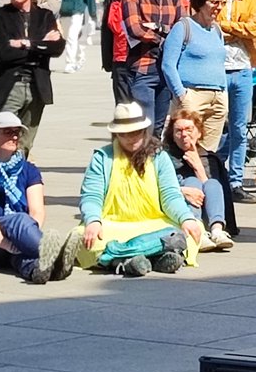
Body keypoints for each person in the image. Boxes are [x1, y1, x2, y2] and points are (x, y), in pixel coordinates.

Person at [71, 99, 206, 276]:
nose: (130, 138)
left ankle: (120, 258)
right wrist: (93, 221)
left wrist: (185, 218)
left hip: (154, 223)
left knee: (193, 228)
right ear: (116, 134)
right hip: (113, 226)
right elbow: (91, 196)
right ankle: (154, 256)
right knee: (82, 236)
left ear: (144, 131)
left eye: (135, 132)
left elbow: (170, 196)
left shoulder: (160, 157)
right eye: (124, 134)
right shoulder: (102, 158)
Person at [0, 110, 73, 283]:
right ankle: (55, 256)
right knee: (17, 220)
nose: (14, 137)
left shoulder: (29, 169)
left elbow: (37, 212)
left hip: (18, 237)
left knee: (22, 243)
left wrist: (20, 241)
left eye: (17, 132)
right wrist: (6, 244)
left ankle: (39, 270)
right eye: (7, 132)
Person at [0, 0, 62, 153]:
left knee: (24, 145)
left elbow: (57, 47)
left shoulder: (45, 16)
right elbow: (5, 52)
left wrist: (24, 43)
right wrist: (40, 44)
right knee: (0, 141)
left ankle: (17, 179)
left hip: (37, 86)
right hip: (9, 85)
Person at [210, 0, 256, 202]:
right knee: (211, 128)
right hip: (215, 71)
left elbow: (255, 29)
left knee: (239, 129)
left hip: (243, 70)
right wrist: (236, 30)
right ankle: (208, 172)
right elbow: (208, 23)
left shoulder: (251, 1)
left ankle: (235, 182)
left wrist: (227, 27)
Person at [161, 0, 232, 150]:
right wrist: (182, 96)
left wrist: (223, 94)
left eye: (221, 2)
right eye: (214, 2)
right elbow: (168, 65)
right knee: (184, 147)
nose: (219, 7)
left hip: (218, 98)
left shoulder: (216, 30)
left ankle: (203, 177)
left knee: (208, 152)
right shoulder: (183, 27)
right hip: (192, 96)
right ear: (200, 2)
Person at [122, 0, 188, 131]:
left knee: (159, 130)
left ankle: (152, 160)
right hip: (143, 69)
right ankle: (140, 160)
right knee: (144, 127)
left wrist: (156, 28)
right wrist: (166, 37)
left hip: (168, 70)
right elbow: (135, 29)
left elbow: (183, 32)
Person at [164, 106, 236, 252]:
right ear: (172, 134)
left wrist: (197, 166)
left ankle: (217, 230)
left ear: (199, 132)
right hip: (177, 209)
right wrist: (181, 190)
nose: (184, 134)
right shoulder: (164, 156)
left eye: (189, 129)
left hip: (206, 209)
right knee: (192, 182)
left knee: (213, 183)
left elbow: (211, 190)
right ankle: (198, 232)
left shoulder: (209, 158)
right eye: (179, 130)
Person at [102, 0, 148, 106]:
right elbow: (114, 25)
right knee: (124, 109)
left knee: (146, 110)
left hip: (147, 58)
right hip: (122, 58)